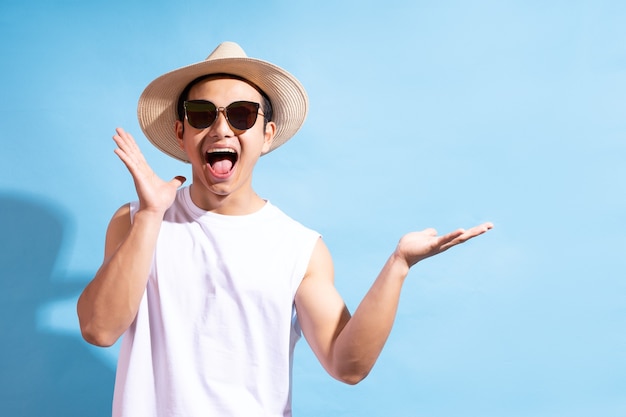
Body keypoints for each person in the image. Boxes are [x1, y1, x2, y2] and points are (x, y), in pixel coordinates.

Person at [77, 41, 493, 417]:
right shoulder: (134, 220)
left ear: (267, 134)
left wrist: (399, 265)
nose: (221, 129)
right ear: (181, 132)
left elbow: (347, 366)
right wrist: (151, 215)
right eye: (203, 114)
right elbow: (99, 329)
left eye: (241, 115)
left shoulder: (299, 248)